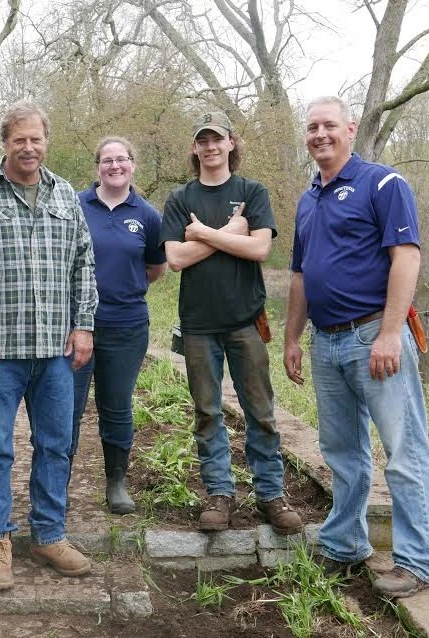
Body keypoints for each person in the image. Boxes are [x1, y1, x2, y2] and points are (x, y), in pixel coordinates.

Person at [284, 96, 429, 598]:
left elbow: (406, 258)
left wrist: (392, 333)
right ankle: (344, 544)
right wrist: (291, 336)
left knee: (404, 451)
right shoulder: (309, 199)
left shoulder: (383, 184)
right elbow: (301, 275)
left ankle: (416, 561)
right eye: (311, 127)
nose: (320, 134)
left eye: (329, 125)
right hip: (326, 343)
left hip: (374, 335)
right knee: (342, 452)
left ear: (350, 129)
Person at [0, 100, 97, 591]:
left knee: (56, 444)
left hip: (55, 350)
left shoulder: (65, 194)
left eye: (36, 139)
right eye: (18, 139)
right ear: (4, 143)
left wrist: (84, 324)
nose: (28, 147)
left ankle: (48, 535)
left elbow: (83, 264)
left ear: (46, 141)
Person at [160, 111, 303, 536]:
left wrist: (202, 232)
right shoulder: (180, 197)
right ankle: (219, 494)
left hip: (246, 321)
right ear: (194, 148)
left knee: (261, 411)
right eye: (202, 140)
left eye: (216, 139)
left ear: (231, 144)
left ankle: (271, 494)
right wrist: (229, 232)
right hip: (199, 325)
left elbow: (259, 251)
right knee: (208, 412)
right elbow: (175, 259)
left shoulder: (252, 192)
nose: (209, 147)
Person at [71, 136, 167, 514]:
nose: (115, 166)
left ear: (132, 164)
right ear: (97, 166)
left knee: (116, 406)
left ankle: (116, 483)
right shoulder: (75, 205)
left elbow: (156, 267)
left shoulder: (146, 214)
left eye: (121, 159)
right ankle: (56, 483)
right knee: (68, 406)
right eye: (107, 160)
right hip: (76, 324)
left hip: (127, 326)